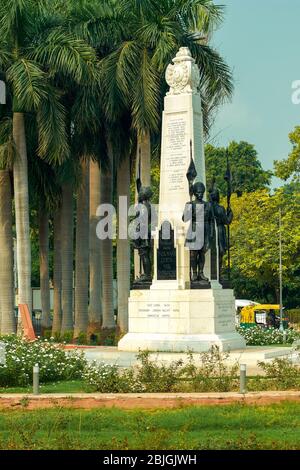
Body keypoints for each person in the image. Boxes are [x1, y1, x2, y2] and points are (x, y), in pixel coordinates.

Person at [183, 182, 213, 282]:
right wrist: (188, 209)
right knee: (193, 254)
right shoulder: (190, 204)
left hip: (205, 231)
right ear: (195, 193)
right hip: (194, 229)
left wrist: (211, 235)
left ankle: (201, 273)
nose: (200, 194)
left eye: (201, 192)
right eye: (198, 192)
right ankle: (194, 274)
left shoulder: (208, 205)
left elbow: (211, 221)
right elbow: (185, 219)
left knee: (202, 253)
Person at [209, 187, 233, 279]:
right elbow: (227, 221)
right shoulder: (220, 208)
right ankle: (217, 273)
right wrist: (230, 214)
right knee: (220, 252)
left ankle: (215, 273)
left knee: (214, 253)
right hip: (219, 231)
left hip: (210, 230)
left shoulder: (208, 206)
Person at [130, 186, 153, 282]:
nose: (138, 195)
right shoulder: (147, 205)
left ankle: (147, 275)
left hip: (142, 233)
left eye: (140, 193)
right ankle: (146, 274)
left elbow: (140, 221)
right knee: (145, 254)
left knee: (144, 254)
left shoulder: (143, 207)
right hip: (145, 231)